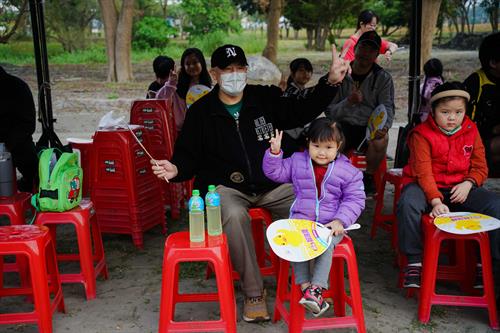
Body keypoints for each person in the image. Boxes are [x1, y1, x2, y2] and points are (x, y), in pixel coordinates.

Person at [151, 44, 350, 323]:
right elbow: (187, 156)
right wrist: (175, 168)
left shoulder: (264, 98)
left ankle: (309, 282)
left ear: (246, 70)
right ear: (214, 73)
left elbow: (301, 109)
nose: (234, 75)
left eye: (239, 69)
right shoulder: (202, 112)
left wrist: (330, 82)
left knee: (307, 201)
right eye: (227, 70)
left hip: (274, 183)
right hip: (228, 188)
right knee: (231, 214)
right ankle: (254, 292)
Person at [397, 82, 500, 289]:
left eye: (458, 112)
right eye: (445, 112)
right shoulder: (421, 134)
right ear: (433, 111)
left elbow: (481, 167)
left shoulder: (471, 130)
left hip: (460, 188)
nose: (452, 118)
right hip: (424, 187)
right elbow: (423, 172)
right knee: (407, 203)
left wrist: (469, 183)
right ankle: (414, 261)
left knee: (495, 206)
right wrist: (435, 201)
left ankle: (488, 265)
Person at [262, 119, 365, 317]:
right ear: (308, 142)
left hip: (331, 225)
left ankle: (316, 289)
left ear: (339, 146)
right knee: (295, 243)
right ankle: (305, 286)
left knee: (324, 242)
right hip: (302, 222)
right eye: (316, 146)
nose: (322, 152)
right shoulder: (297, 162)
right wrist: (274, 154)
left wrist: (340, 220)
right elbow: (275, 173)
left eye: (328, 147)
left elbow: (355, 199)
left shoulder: (349, 172)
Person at [326, 30, 395, 196]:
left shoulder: (383, 78)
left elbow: (388, 107)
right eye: (363, 47)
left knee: (381, 138)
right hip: (343, 125)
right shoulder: (341, 74)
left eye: (372, 50)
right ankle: (331, 178)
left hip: (368, 128)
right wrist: (348, 102)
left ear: (377, 54)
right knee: (329, 136)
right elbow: (329, 112)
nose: (366, 53)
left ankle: (369, 176)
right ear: (355, 49)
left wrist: (384, 126)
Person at [463, 32, 500, 178]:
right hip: (474, 148)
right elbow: (462, 127)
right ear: (493, 63)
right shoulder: (475, 84)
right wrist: (493, 130)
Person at [0, 65, 38, 192]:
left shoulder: (17, 87)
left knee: (27, 157)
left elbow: (27, 124)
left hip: (15, 142)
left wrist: (7, 145)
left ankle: (30, 185)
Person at [155, 48, 212, 132]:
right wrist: (171, 83)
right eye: (187, 64)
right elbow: (159, 99)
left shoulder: (210, 85)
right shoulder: (176, 85)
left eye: (195, 62)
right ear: (183, 66)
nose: (191, 66)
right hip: (180, 132)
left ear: (202, 63)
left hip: (203, 131)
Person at [282, 58, 315, 142]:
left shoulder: (302, 90)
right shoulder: (290, 90)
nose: (306, 74)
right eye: (301, 71)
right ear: (293, 74)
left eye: (308, 71)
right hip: (290, 134)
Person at [418, 58, 444, 123]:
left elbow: (426, 95)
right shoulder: (441, 83)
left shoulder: (428, 85)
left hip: (426, 118)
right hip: (439, 117)